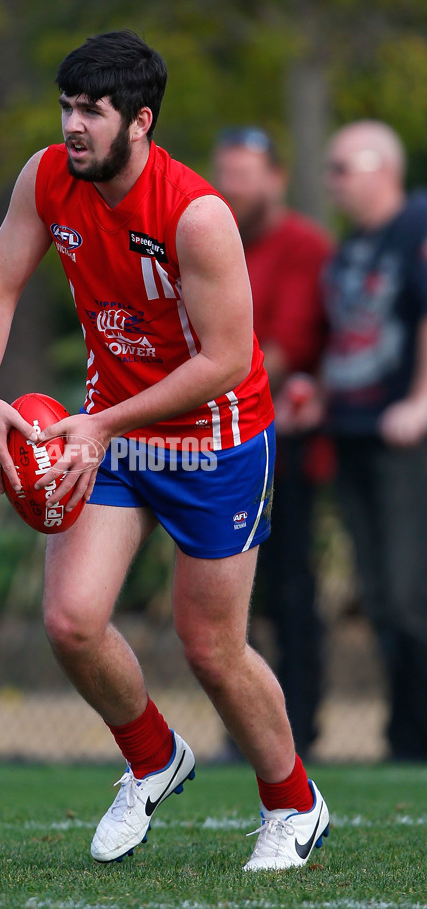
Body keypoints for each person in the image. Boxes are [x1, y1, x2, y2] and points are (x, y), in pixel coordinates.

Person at [0, 30, 329, 870]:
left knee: (210, 646)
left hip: (215, 441)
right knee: (70, 620)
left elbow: (227, 360)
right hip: (114, 432)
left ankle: (294, 803)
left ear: (141, 122)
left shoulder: (196, 214)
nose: (73, 126)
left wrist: (104, 423)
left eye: (91, 110)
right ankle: (153, 756)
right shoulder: (48, 176)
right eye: (66, 106)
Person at [210, 127, 333, 757]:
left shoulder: (304, 247)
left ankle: (301, 727)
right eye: (224, 172)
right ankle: (245, 734)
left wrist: (215, 380)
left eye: (246, 172)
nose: (232, 185)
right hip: (217, 448)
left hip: (285, 451)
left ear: (276, 178)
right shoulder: (207, 235)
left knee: (288, 591)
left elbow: (284, 346)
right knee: (229, 604)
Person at [318, 120, 427, 760]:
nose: (331, 181)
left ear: (381, 166)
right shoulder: (351, 248)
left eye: (341, 167)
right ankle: (403, 736)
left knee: (408, 593)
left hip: (402, 441)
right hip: (352, 431)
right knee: (380, 598)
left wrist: (419, 399)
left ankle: (415, 737)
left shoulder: (415, 225)